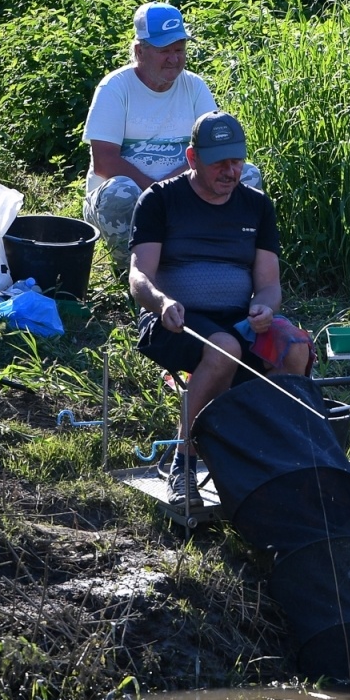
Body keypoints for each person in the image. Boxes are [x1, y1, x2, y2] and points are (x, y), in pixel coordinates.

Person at [129, 110, 314, 505]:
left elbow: (269, 286)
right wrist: (161, 302)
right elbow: (139, 276)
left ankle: (261, 452)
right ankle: (183, 462)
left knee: (295, 347)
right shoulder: (160, 200)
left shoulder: (256, 206)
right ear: (192, 158)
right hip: (172, 320)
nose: (231, 172)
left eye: (237, 161)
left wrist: (264, 308)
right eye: (219, 163)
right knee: (224, 348)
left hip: (238, 320)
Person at [82, 2, 260, 269]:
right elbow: (104, 162)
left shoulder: (194, 87)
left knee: (246, 174)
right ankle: (132, 270)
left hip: (185, 191)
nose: (174, 59)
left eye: (179, 50)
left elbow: (215, 148)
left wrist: (176, 193)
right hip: (131, 196)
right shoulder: (115, 88)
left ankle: (226, 259)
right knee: (119, 191)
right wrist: (157, 194)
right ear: (139, 51)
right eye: (164, 50)